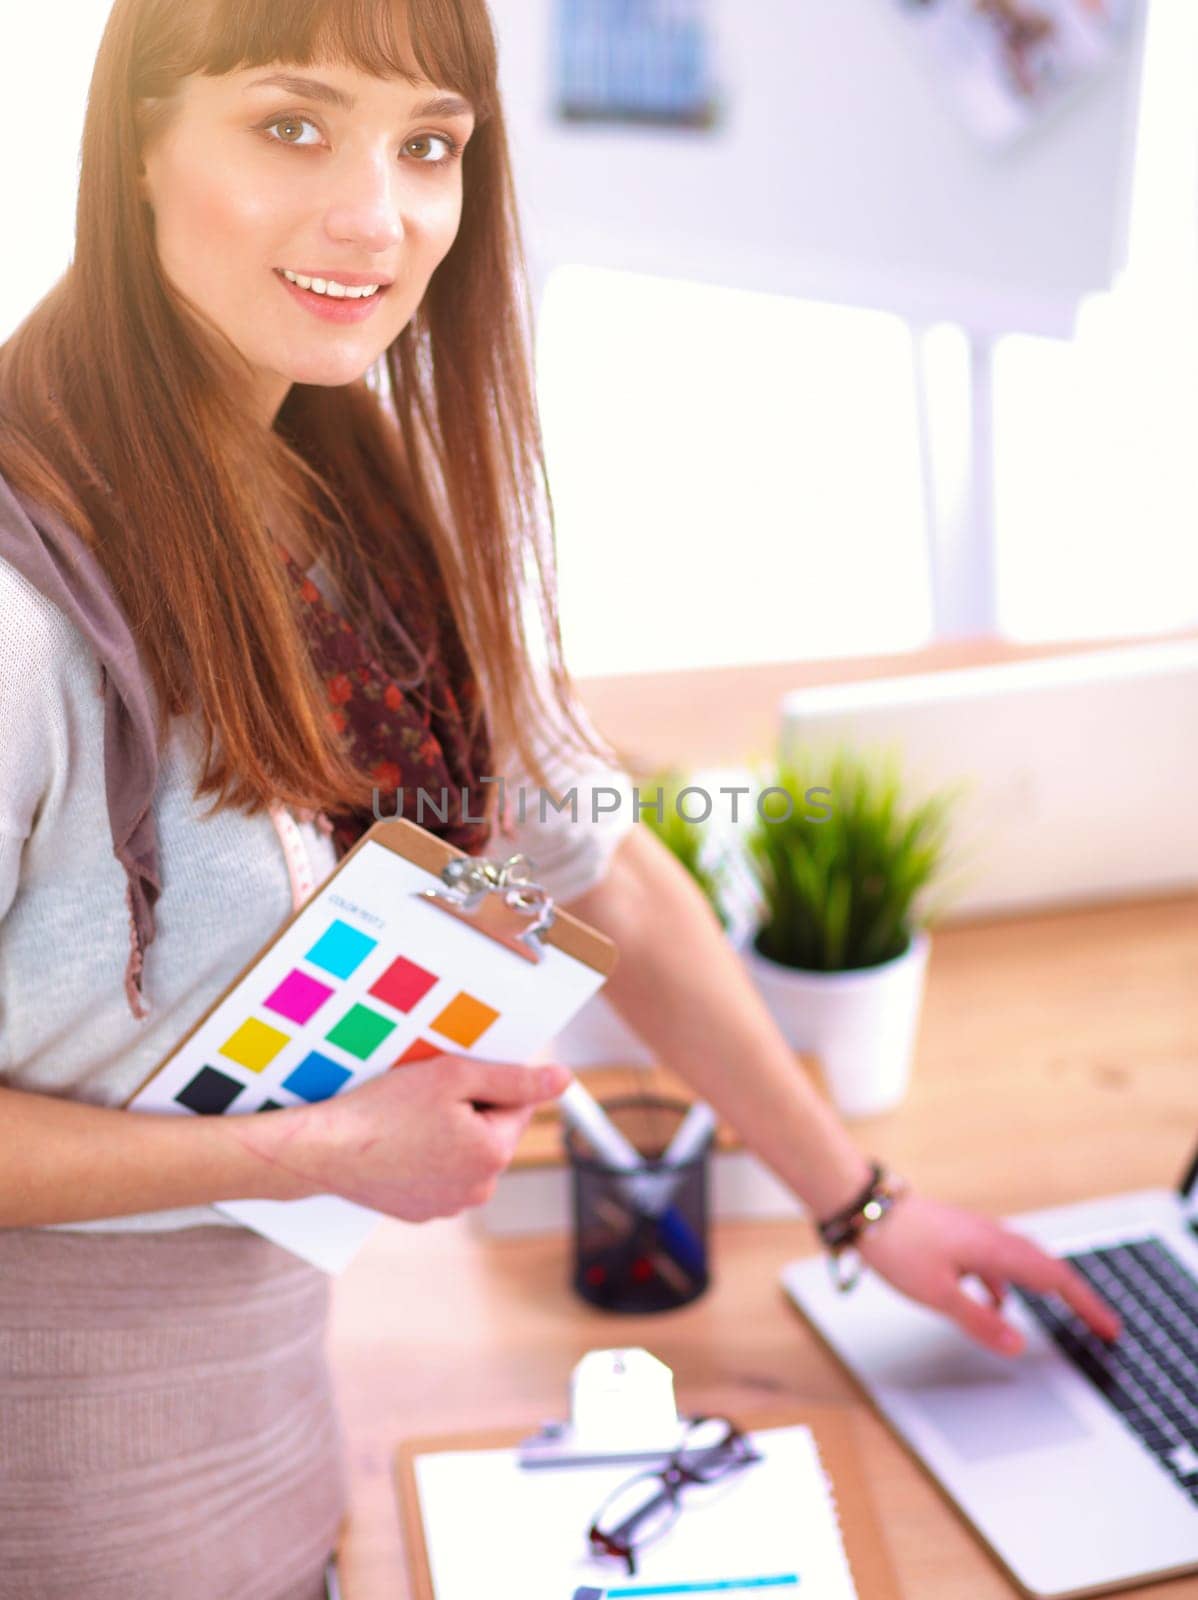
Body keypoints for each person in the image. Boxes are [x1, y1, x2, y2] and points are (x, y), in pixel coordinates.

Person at [0, 1, 1122, 1595]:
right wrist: (314, 1151)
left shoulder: (351, 487)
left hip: (264, 1442)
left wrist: (863, 1206)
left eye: (429, 145)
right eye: (290, 125)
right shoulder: (23, 603)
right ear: (135, 143)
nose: (375, 219)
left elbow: (591, 868)